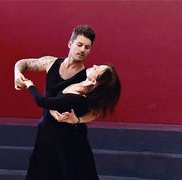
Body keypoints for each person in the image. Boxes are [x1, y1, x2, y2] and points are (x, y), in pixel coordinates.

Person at [14, 25, 121, 180]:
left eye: (87, 47)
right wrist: (17, 73)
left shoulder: (89, 78)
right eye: (79, 44)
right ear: (70, 44)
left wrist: (77, 120)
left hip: (71, 140)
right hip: (46, 133)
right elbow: (24, 63)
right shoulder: (51, 63)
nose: (83, 49)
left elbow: (95, 111)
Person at [23, 64, 121, 180]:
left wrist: (29, 84)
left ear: (94, 81)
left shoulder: (77, 100)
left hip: (65, 143)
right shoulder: (79, 79)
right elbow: (53, 97)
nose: (94, 65)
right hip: (52, 136)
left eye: (97, 69)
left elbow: (41, 101)